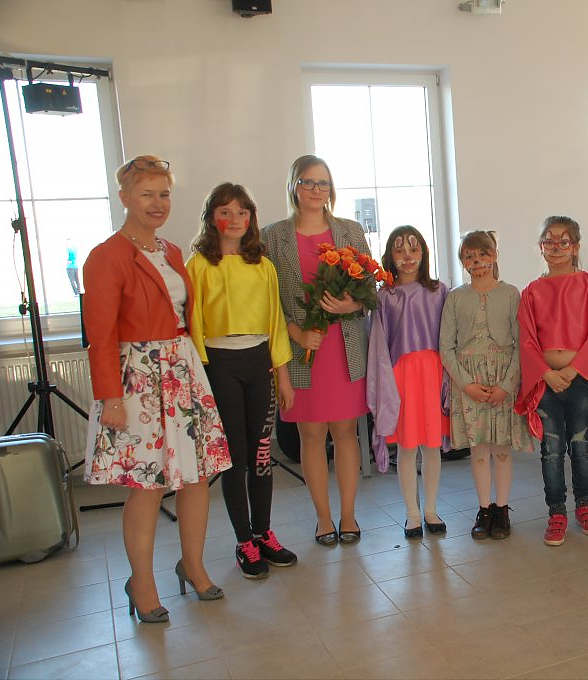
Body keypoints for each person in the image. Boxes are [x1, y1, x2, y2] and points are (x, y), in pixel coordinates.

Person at [83, 155, 231, 623]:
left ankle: (193, 565)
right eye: (147, 194)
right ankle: (142, 583)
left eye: (164, 193)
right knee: (147, 484)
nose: (157, 203)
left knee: (197, 477)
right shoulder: (106, 256)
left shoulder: (170, 250)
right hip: (138, 379)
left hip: (180, 370)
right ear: (124, 197)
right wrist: (110, 397)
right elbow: (100, 335)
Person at [187, 182, 297, 579]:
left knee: (261, 456)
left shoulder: (262, 265)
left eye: (242, 212)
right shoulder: (199, 265)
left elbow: (276, 323)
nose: (234, 219)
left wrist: (283, 377)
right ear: (211, 218)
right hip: (219, 365)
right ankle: (243, 540)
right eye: (225, 212)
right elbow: (192, 324)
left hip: (259, 362)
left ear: (251, 218)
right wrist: (201, 379)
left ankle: (264, 532)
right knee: (234, 458)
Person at [261, 155, 369, 546]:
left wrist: (351, 304)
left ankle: (349, 515)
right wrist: (296, 332)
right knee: (311, 435)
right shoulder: (272, 236)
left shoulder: (350, 231)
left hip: (344, 347)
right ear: (294, 186)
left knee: (345, 433)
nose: (315, 190)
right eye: (307, 182)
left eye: (322, 183)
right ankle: (323, 518)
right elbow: (266, 300)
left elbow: (370, 289)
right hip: (301, 349)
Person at [515, 216, 588, 546]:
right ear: (541, 247)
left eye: (564, 241)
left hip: (581, 379)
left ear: (576, 246)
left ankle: (584, 507)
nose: (556, 247)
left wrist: (574, 370)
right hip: (546, 381)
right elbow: (526, 339)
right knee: (552, 448)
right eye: (549, 241)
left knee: (581, 445)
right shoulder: (532, 291)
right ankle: (556, 512)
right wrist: (546, 373)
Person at [440, 230, 532, 540]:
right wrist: (466, 385)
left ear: (494, 256)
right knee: (479, 449)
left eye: (482, 254)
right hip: (469, 383)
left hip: (502, 380)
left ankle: (502, 509)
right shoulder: (455, 297)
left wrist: (507, 384)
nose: (477, 260)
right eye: (469, 256)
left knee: (501, 449)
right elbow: (446, 348)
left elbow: (521, 344)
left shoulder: (511, 294)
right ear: (463, 261)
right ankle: (484, 508)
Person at [368, 225, 449, 539]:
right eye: (399, 251)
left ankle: (430, 509)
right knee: (406, 446)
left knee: (431, 446)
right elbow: (379, 343)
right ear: (390, 256)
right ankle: (412, 513)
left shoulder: (439, 291)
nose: (407, 257)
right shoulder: (384, 296)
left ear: (424, 253)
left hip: (433, 374)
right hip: (401, 377)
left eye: (414, 250)